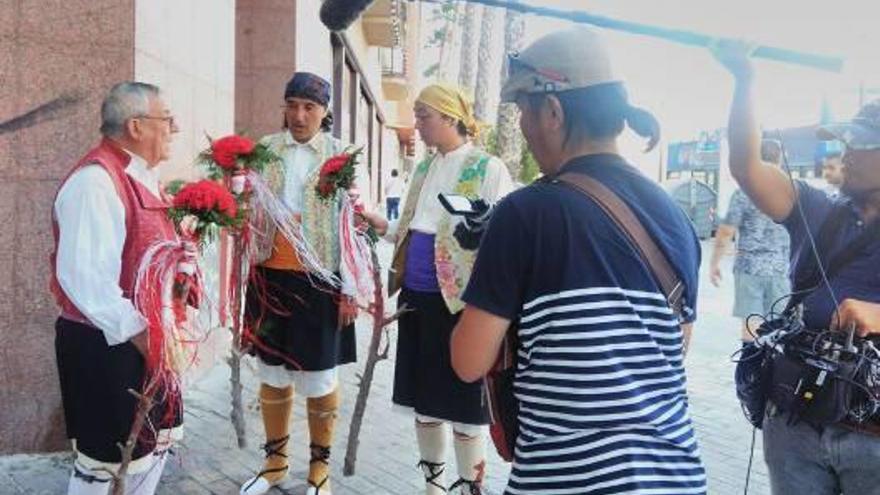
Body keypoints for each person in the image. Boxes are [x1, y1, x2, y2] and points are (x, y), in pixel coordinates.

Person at [450, 28, 707, 495]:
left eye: (525, 111)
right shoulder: (677, 218)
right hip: (676, 477)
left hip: (565, 482)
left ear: (553, 111)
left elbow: (468, 361)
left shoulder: (524, 213)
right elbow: (673, 349)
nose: (524, 129)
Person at [714, 40, 880, 495]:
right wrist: (744, 81)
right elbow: (747, 167)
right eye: (846, 140)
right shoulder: (818, 208)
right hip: (794, 424)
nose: (846, 152)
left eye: (863, 144)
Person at [239, 71, 386, 495]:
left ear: (324, 113)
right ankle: (274, 463)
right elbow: (246, 204)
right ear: (283, 107)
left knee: (320, 378)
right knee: (271, 372)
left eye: (309, 107)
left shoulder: (343, 156)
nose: (299, 115)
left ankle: (319, 470)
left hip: (322, 281)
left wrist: (351, 290)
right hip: (269, 276)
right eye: (292, 105)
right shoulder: (265, 150)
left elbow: (360, 225)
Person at [51, 82, 181, 495]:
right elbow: (84, 278)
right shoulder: (95, 182)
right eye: (166, 119)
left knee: (148, 453)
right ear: (137, 126)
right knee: (105, 467)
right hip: (110, 344)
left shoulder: (144, 177)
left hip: (144, 338)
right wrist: (144, 335)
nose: (173, 127)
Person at [387, 82, 514, 495]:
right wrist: (380, 224)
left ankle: (469, 488)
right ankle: (433, 486)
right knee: (423, 402)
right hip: (416, 299)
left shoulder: (488, 167)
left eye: (424, 116)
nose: (417, 125)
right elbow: (415, 225)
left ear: (450, 118)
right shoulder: (423, 168)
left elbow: (504, 236)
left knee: (464, 407)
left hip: (459, 306)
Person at [709, 140, 791, 343]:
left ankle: (750, 369)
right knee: (778, 325)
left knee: (751, 325)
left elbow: (726, 233)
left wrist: (714, 263)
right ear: (779, 159)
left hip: (749, 268)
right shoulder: (791, 192)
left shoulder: (744, 193)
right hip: (781, 269)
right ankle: (774, 371)